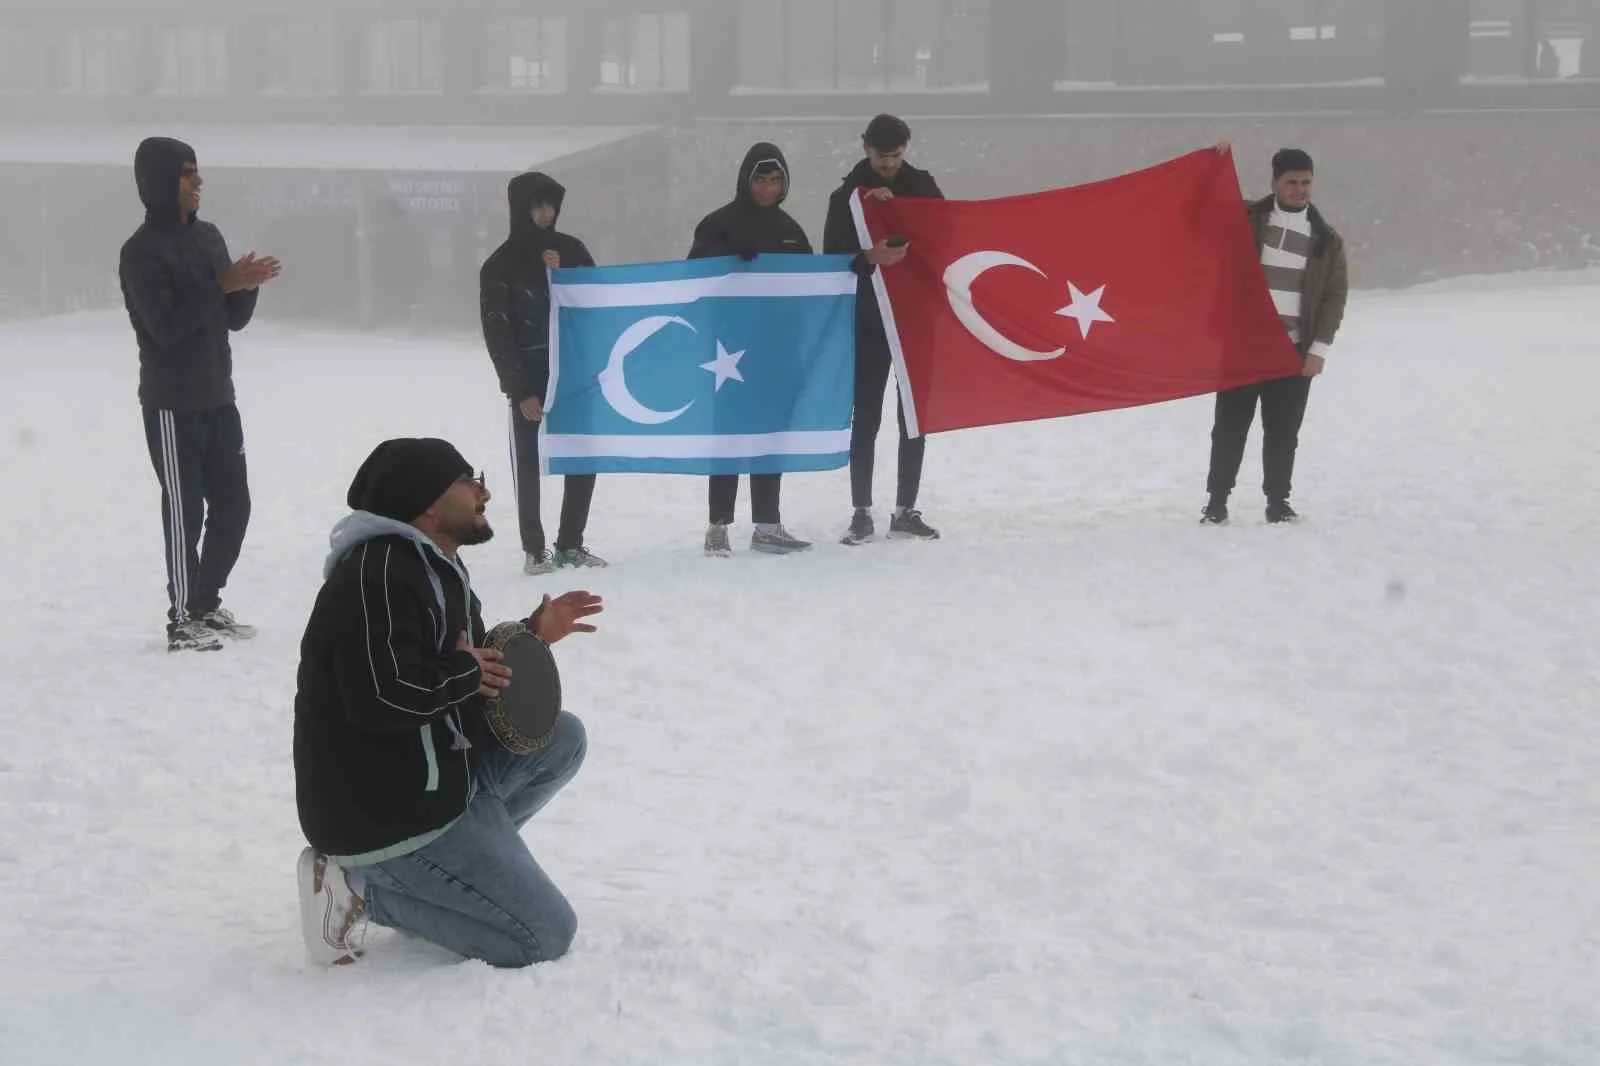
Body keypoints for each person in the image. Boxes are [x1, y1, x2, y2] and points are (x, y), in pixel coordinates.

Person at [293, 437, 604, 968]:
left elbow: (463, 671)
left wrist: (531, 635)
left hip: (439, 777)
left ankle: (455, 883)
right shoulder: (377, 576)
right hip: (388, 813)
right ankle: (361, 889)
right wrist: (463, 672)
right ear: (428, 501)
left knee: (562, 737)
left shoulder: (434, 568)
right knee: (543, 936)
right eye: (468, 480)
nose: (484, 492)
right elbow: (379, 698)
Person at [688, 142, 906, 557]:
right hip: (728, 352)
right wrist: (728, 260)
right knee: (731, 438)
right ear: (745, 180)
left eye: (776, 181)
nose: (768, 188)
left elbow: (820, 279)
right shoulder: (717, 224)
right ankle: (717, 527)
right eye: (761, 179)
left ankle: (767, 525)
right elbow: (692, 279)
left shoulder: (790, 230)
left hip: (777, 351)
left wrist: (867, 258)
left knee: (771, 436)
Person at [119, 136, 280, 652]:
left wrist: (246, 285)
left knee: (235, 506)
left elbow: (231, 318)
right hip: (172, 403)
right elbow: (164, 327)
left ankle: (206, 603)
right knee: (185, 511)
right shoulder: (140, 253)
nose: (198, 182)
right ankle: (183, 616)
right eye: (188, 174)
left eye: (198, 172)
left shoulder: (209, 236)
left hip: (218, 394)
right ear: (162, 182)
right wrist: (220, 285)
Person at [1202, 146, 1349, 525]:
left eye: (1306, 182)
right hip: (1243, 347)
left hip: (1293, 351)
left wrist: (1318, 349)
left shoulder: (1326, 240)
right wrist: (1212, 164)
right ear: (1275, 183)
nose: (1300, 190)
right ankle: (1217, 502)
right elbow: (1199, 212)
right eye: (1292, 183)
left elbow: (1334, 296)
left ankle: (1278, 502)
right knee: (1229, 430)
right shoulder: (1248, 219)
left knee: (1283, 432)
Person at [823, 114, 944, 546]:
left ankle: (905, 509)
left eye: (895, 156)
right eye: (881, 156)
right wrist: (868, 254)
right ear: (865, 149)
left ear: (906, 147)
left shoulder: (924, 187)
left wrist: (899, 211)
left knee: (913, 416)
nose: (889, 164)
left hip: (914, 319)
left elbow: (942, 238)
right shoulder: (845, 198)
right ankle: (861, 512)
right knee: (866, 417)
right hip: (868, 321)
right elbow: (832, 261)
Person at [480, 172, 607, 575]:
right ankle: (534, 549)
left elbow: (598, 299)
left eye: (551, 204)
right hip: (529, 375)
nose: (545, 213)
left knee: (583, 457)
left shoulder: (571, 249)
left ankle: (571, 542)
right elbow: (497, 331)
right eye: (537, 205)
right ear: (520, 208)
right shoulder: (500, 264)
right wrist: (519, 390)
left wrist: (565, 270)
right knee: (529, 464)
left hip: (573, 372)